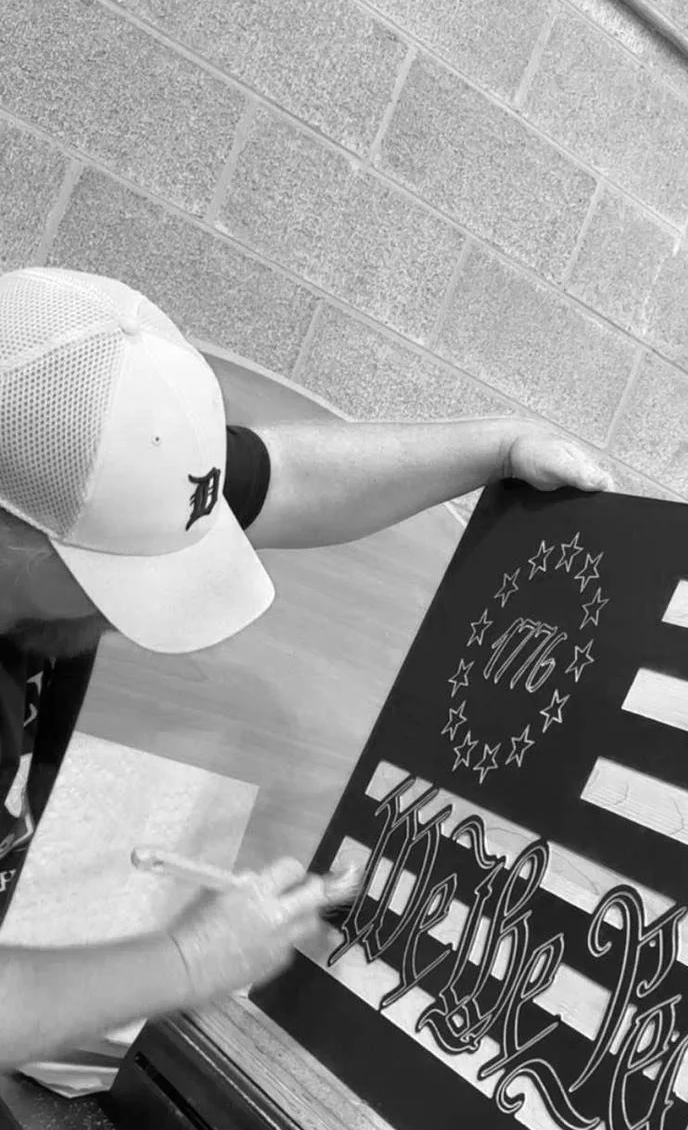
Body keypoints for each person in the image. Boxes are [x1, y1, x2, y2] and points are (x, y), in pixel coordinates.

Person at [0, 266, 612, 1071]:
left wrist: (496, 445)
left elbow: (287, 479)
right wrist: (186, 962)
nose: (123, 618)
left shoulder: (77, 441)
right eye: (111, 577)